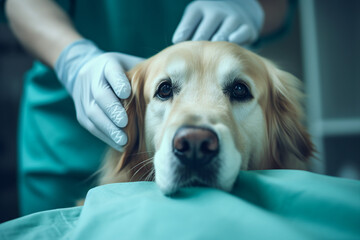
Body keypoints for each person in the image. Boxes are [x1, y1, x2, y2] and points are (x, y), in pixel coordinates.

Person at [4, 0, 289, 216]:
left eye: (238, 91)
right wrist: (74, 60)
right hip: (63, 138)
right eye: (166, 90)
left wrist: (250, 5)